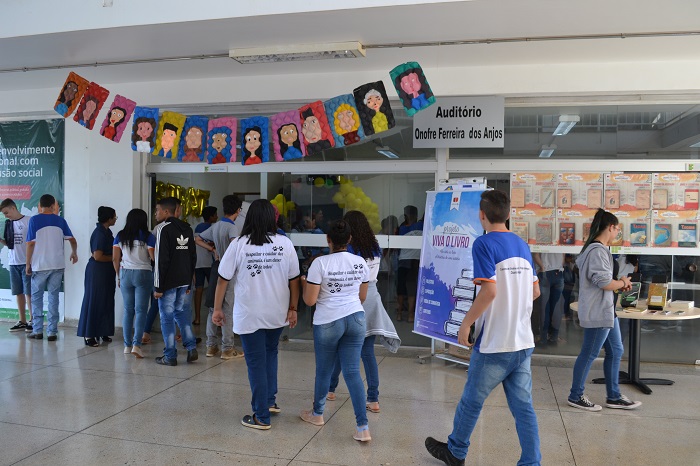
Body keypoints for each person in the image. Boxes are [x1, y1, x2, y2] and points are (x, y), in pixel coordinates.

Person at [425, 190, 541, 466]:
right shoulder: (521, 245)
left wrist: (465, 323)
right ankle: (531, 462)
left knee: (471, 401)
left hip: (494, 343)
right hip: (522, 342)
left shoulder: (484, 244)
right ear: (509, 214)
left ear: (481, 214)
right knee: (524, 408)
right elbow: (535, 291)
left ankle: (455, 453)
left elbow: (489, 291)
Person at [213, 199, 300, 430]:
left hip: (249, 314)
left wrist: (218, 308)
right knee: (270, 354)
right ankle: (269, 401)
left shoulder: (240, 244)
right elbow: (294, 281)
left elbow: (223, 279)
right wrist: (293, 308)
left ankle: (261, 415)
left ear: (249, 218)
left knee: (255, 363)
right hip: (277, 313)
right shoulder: (285, 243)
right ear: (273, 219)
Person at [300, 220, 372, 442]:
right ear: (349, 239)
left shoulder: (319, 264)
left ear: (328, 239)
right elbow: (362, 297)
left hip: (328, 321)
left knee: (323, 371)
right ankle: (363, 428)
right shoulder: (360, 262)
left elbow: (310, 301)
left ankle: (317, 414)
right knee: (352, 373)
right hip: (356, 318)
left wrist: (305, 283)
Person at [325, 211, 401, 414]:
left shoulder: (348, 249)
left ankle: (330, 390)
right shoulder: (374, 246)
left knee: (343, 348)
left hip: (352, 299)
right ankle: (373, 399)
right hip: (372, 297)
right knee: (367, 352)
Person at [567, 208, 642, 412]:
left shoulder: (600, 250)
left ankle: (614, 396)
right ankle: (575, 395)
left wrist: (619, 283)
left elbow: (606, 282)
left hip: (607, 310)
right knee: (589, 353)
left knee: (616, 350)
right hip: (598, 311)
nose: (618, 233)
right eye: (617, 228)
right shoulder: (597, 251)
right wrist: (622, 281)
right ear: (610, 227)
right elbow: (602, 282)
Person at [195, 195, 243, 359]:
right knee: (227, 308)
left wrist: (213, 250)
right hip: (229, 270)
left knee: (213, 307)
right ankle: (228, 348)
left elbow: (198, 238)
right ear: (238, 210)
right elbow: (236, 249)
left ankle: (211, 346)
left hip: (217, 267)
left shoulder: (215, 226)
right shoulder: (232, 228)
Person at [25, 194, 78, 341]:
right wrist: (74, 252)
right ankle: (52, 332)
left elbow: (30, 243)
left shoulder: (34, 220)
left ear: (40, 206)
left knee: (37, 298)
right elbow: (72, 240)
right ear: (53, 206)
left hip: (40, 265)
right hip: (57, 265)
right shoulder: (61, 221)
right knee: (53, 297)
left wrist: (28, 263)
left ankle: (37, 331)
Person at [153, 196, 198, 366]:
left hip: (168, 283)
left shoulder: (162, 229)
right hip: (184, 281)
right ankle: (191, 347)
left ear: (166, 211)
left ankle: (170, 355)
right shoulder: (187, 228)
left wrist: (157, 287)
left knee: (167, 317)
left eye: (157, 210)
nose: (156, 214)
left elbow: (160, 261)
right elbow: (192, 256)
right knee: (182, 314)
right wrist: (189, 281)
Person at [113, 208, 155, 358]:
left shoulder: (120, 235)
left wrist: (119, 276)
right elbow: (153, 257)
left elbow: (115, 258)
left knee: (128, 310)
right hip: (143, 273)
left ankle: (126, 345)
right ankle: (137, 345)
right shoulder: (149, 236)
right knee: (141, 310)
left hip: (125, 274)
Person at [77, 206, 117, 346]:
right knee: (94, 300)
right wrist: (115, 258)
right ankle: (89, 334)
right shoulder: (99, 233)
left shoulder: (107, 231)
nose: (116, 218)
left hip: (106, 272)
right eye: (114, 216)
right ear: (109, 218)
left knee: (106, 300)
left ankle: (102, 330)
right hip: (97, 271)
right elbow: (98, 256)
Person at [1, 198, 32, 332]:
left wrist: (29, 262)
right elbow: (10, 244)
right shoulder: (8, 223)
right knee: (18, 292)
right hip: (13, 263)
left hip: (26, 263)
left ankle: (33, 320)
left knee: (29, 293)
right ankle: (22, 321)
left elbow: (33, 242)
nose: (5, 216)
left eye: (6, 212)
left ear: (13, 208)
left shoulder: (29, 220)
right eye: (3, 214)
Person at [396, 205, 423, 322]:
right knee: (410, 288)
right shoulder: (421, 226)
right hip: (414, 260)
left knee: (402, 288)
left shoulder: (402, 228)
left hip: (404, 260)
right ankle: (410, 315)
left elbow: (397, 245)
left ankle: (400, 313)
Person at [193, 206, 218, 325]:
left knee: (198, 290)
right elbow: (212, 246)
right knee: (214, 291)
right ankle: (215, 318)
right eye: (215, 215)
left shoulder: (197, 228)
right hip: (210, 263)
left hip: (198, 263)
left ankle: (197, 318)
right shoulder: (212, 228)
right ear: (211, 216)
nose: (217, 217)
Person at [533, 252, 565, 344]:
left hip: (545, 272)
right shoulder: (561, 240)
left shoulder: (540, 238)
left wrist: (542, 267)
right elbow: (563, 255)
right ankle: (554, 335)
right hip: (559, 272)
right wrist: (560, 266)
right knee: (556, 306)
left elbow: (536, 255)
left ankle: (543, 337)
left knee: (544, 307)